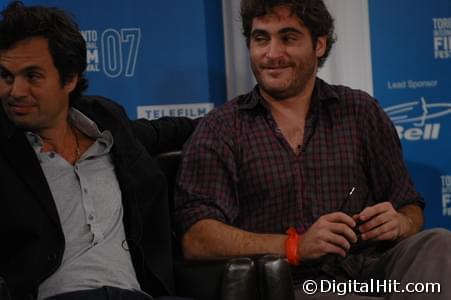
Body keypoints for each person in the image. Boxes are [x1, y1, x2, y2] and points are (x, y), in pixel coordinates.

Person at [174, 0, 451, 299]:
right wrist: (295, 246)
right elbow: (197, 237)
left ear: (319, 45)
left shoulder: (360, 111)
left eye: (288, 38)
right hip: (292, 285)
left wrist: (400, 223)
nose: (272, 54)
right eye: (261, 39)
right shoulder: (222, 128)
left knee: (438, 242)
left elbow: (409, 205)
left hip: (370, 275)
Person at [0, 2, 196, 300]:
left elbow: (172, 130)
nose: (16, 91)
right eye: (6, 76)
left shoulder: (108, 124)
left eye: (32, 76)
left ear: (69, 79)